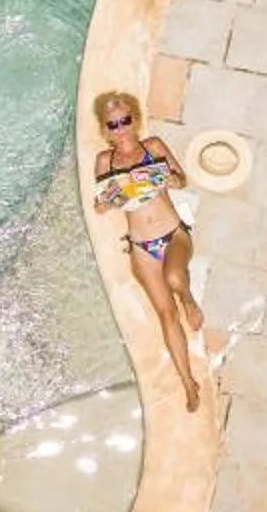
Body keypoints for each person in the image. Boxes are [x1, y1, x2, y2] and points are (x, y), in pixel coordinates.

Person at [89, 89, 207, 411]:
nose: (121, 128)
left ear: (135, 120)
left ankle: (188, 299)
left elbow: (182, 180)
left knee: (173, 277)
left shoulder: (152, 147)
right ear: (105, 130)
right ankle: (188, 384)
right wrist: (104, 204)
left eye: (126, 120)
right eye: (113, 124)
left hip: (173, 235)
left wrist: (169, 178)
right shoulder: (104, 161)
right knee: (165, 316)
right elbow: (103, 204)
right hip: (142, 247)